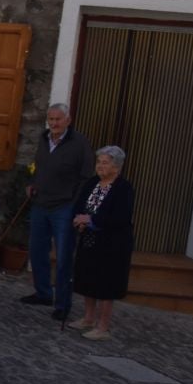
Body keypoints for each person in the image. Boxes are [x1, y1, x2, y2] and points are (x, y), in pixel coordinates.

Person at [24, 102, 96, 323]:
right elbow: (37, 166)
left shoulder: (80, 143)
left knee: (64, 257)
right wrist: (32, 183)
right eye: (51, 119)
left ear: (68, 120)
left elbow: (86, 177)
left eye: (58, 119)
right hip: (40, 203)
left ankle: (63, 304)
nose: (54, 123)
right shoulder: (44, 139)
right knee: (36, 250)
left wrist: (76, 203)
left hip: (64, 207)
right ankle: (43, 293)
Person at [69, 146, 136, 341]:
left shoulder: (123, 189)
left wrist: (91, 220)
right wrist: (79, 219)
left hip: (112, 243)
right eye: (98, 162)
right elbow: (80, 205)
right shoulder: (92, 183)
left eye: (105, 163)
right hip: (90, 239)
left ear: (117, 166)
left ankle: (103, 327)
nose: (100, 166)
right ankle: (88, 318)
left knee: (106, 283)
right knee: (87, 277)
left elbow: (119, 217)